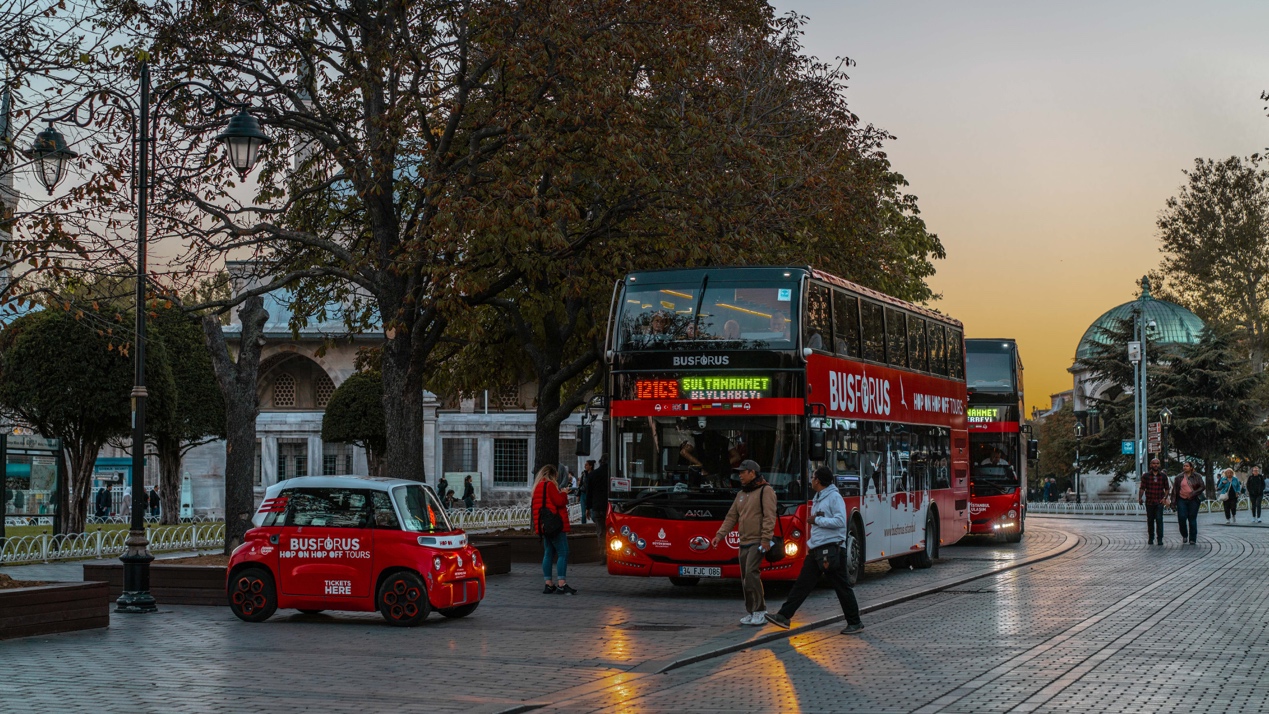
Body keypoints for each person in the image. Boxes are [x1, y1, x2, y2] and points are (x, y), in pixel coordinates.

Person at [765, 467, 864, 634]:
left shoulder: (834, 497)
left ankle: (855, 622)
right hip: (818, 548)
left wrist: (817, 520)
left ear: (818, 480)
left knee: (842, 587)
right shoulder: (819, 496)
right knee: (802, 584)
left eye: (813, 477)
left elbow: (840, 521)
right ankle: (784, 616)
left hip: (831, 550)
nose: (811, 479)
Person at [711, 459, 776, 626]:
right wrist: (720, 535)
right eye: (739, 472)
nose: (739, 475)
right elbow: (732, 516)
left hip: (757, 541)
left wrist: (766, 539)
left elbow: (770, 517)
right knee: (745, 578)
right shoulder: (741, 494)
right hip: (744, 541)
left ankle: (760, 610)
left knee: (751, 574)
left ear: (752, 473)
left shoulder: (765, 491)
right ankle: (752, 611)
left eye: (742, 472)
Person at [532, 465, 575, 594]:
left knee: (548, 552)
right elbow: (559, 502)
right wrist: (563, 493)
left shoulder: (538, 487)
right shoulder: (549, 485)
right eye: (556, 476)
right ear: (552, 475)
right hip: (554, 525)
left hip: (544, 525)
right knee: (563, 552)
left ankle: (548, 584)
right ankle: (562, 583)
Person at [1137, 458, 1169, 545]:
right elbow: (1142, 488)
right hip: (1150, 501)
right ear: (1151, 465)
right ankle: (1151, 537)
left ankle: (1160, 539)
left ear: (1159, 465)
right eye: (1154, 463)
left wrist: (1165, 498)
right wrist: (1140, 498)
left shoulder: (1163, 476)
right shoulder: (1146, 476)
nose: (1156, 465)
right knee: (1150, 520)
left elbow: (1167, 489)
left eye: (1157, 463)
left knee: (1159, 519)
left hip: (1159, 501)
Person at [1172, 462, 1205, 544]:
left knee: (1192, 518)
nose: (1185, 467)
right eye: (1184, 466)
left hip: (1193, 500)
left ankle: (1192, 538)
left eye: (1187, 466)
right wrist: (1173, 502)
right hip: (1182, 499)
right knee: (1182, 518)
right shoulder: (1179, 477)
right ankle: (1184, 535)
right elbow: (1175, 490)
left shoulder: (1197, 476)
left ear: (1191, 467)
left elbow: (1202, 486)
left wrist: (1194, 493)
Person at [588, 455, 610, 560]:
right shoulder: (613, 473)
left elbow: (589, 493)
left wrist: (588, 508)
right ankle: (612, 552)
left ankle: (603, 553)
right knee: (611, 530)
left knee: (600, 531)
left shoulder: (593, 474)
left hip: (597, 506)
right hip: (610, 506)